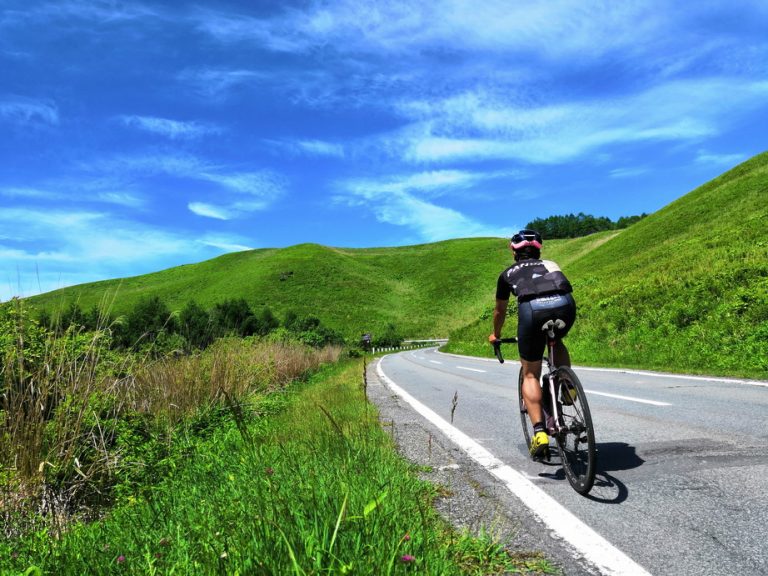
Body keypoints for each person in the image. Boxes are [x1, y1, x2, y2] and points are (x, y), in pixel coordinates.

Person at [488, 230, 576, 459]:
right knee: (556, 339)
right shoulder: (550, 263)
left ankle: (539, 433)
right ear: (539, 250)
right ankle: (568, 386)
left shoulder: (506, 274)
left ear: (513, 251)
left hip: (533, 311)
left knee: (530, 374)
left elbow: (500, 311)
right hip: (565, 305)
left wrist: (495, 335)